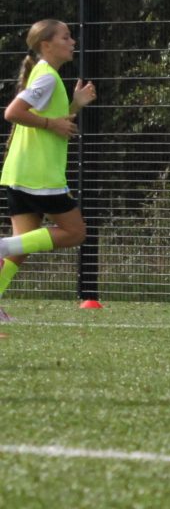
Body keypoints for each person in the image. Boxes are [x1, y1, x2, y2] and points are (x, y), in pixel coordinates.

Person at [0, 19, 98, 321]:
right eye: (65, 37)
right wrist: (51, 123)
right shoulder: (47, 78)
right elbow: (13, 113)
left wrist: (75, 105)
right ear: (46, 45)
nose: (72, 42)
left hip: (20, 172)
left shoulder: (47, 76)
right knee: (75, 232)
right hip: (40, 175)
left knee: (21, 247)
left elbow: (55, 122)